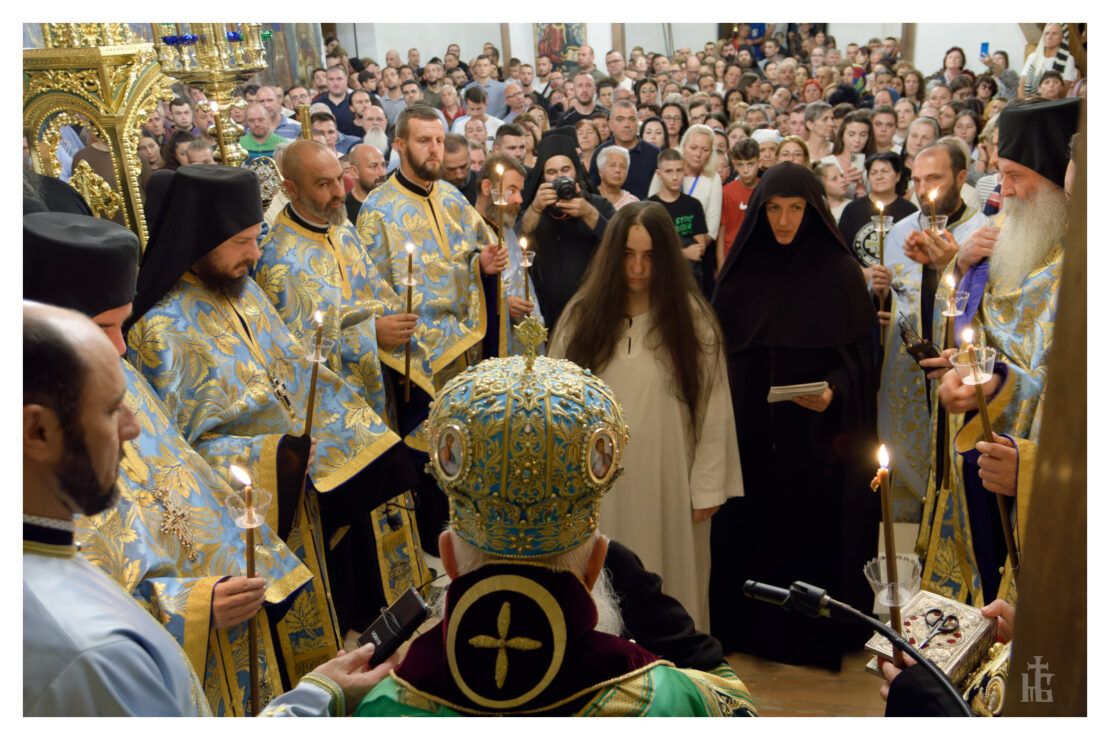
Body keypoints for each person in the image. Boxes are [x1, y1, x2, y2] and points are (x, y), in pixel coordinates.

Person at [22, 212, 346, 715]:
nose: (122, 346)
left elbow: (184, 463)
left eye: (123, 323)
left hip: (220, 600)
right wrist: (186, 606)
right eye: (104, 327)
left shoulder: (107, 372)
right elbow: (78, 582)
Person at [354, 314, 756, 716]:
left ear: (449, 558)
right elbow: (736, 707)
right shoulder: (662, 699)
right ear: (597, 565)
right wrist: (651, 603)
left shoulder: (384, 705)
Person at [125, 165, 429, 643]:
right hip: (258, 506)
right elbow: (177, 458)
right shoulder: (160, 330)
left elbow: (296, 373)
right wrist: (275, 457)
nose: (256, 253)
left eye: (257, 237)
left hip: (307, 484)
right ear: (202, 238)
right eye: (242, 241)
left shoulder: (244, 292)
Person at [709, 162, 879, 670]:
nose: (784, 221)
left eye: (796, 209)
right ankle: (748, 627)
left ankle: (814, 633)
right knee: (751, 531)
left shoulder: (840, 273)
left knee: (813, 537)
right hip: (751, 439)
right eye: (775, 209)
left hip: (818, 443)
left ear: (814, 212)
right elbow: (719, 354)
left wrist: (835, 390)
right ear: (760, 212)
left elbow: (861, 358)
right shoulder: (742, 273)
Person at [916, 98, 1080, 606]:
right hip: (976, 443)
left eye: (1015, 176)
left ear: (1054, 176)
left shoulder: (1082, 257)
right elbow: (970, 323)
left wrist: (1001, 385)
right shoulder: (1005, 231)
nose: (1002, 190)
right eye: (1000, 173)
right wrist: (959, 266)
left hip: (1030, 461)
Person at [550, 201, 742, 632]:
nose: (637, 268)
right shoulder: (581, 318)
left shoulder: (693, 321)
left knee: (671, 583)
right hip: (599, 486)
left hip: (671, 482)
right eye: (627, 255)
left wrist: (708, 486)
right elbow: (558, 405)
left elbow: (714, 408)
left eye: (650, 256)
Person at [356, 105, 508, 548]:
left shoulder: (452, 197)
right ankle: (439, 546)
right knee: (430, 454)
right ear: (400, 145)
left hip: (466, 348)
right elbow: (368, 285)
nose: (435, 149)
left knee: (470, 446)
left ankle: (476, 533)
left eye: (439, 140)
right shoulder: (377, 210)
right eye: (424, 141)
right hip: (417, 358)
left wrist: (484, 263)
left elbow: (476, 251)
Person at [874, 141, 987, 522]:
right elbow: (897, 299)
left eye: (934, 179)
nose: (924, 191)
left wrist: (951, 263)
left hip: (957, 375)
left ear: (961, 177)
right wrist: (879, 297)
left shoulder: (982, 232)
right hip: (907, 377)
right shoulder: (900, 232)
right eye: (918, 180)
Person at [519, 131, 614, 334]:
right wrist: (535, 208)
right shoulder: (531, 207)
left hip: (590, 308)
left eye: (565, 169)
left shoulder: (599, 205)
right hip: (543, 309)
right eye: (551, 172)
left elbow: (618, 242)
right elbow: (516, 242)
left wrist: (588, 213)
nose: (560, 177)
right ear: (542, 177)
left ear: (575, 170)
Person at [471, 153, 545, 357]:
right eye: (512, 190)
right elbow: (459, 290)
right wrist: (502, 303)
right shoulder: (466, 231)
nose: (519, 200)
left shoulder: (507, 228)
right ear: (487, 187)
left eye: (520, 191)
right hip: (488, 347)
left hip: (520, 345)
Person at [649, 148, 709, 281]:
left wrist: (667, 251)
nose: (675, 177)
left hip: (689, 278)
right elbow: (649, 252)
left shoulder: (694, 205)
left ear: (685, 171)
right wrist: (684, 253)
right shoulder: (649, 207)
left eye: (679, 170)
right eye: (669, 171)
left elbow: (699, 250)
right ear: (659, 174)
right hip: (659, 278)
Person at [589, 100, 660, 200]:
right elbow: (593, 191)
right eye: (620, 119)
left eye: (631, 119)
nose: (627, 124)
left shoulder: (654, 154)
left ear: (637, 122)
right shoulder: (601, 152)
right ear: (610, 124)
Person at [719, 137, 760, 262]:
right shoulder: (726, 192)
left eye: (750, 164)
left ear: (759, 162)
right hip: (732, 256)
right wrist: (721, 264)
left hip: (759, 256)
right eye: (741, 165)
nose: (746, 170)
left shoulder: (766, 189)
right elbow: (721, 231)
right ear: (734, 164)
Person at [820, 110, 875, 199]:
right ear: (842, 135)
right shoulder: (826, 163)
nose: (857, 140)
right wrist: (842, 182)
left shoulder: (874, 165)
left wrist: (866, 197)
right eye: (851, 134)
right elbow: (819, 194)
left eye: (863, 135)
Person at [1019, 23, 1076, 99]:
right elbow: (1022, 86)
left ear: (1062, 37)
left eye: (1054, 34)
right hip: (1029, 102)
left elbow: (1063, 90)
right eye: (1046, 33)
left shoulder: (1068, 59)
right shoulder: (1032, 57)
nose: (1049, 37)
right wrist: (1023, 103)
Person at [344, 143, 387, 222]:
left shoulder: (397, 203)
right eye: (374, 166)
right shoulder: (341, 211)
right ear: (354, 172)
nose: (382, 173)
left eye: (384, 165)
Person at [596, 146, 638, 210]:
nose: (618, 170)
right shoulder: (589, 197)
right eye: (612, 165)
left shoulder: (632, 202)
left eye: (623, 167)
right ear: (600, 171)